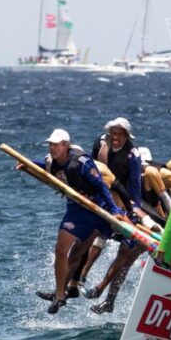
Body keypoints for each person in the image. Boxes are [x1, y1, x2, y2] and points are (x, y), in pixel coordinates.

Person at [21, 128, 125, 315]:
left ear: (66, 146)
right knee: (61, 249)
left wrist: (115, 210)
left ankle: (85, 291)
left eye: (56, 145)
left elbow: (101, 186)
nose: (52, 148)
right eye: (50, 144)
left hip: (97, 208)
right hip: (76, 209)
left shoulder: (82, 162)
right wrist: (26, 164)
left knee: (80, 251)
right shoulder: (50, 161)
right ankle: (60, 295)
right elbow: (43, 168)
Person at [80, 117, 149, 314]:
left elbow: (135, 190)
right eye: (113, 134)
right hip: (113, 200)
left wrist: (134, 213)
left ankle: (105, 296)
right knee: (98, 233)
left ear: (127, 136)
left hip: (133, 209)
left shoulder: (135, 158)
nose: (116, 138)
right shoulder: (102, 143)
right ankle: (81, 276)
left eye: (120, 134)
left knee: (126, 255)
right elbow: (91, 167)